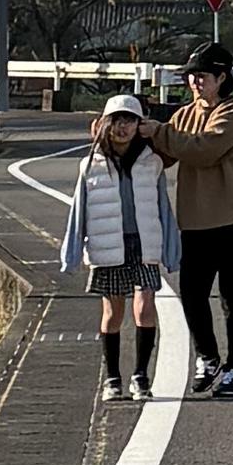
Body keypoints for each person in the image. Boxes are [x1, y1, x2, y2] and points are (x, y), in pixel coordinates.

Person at [161, 37, 233, 392]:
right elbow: (162, 155)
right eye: (191, 76)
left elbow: (204, 150)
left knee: (232, 297)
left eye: (202, 75)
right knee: (192, 294)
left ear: (222, 78)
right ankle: (207, 358)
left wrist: (158, 133)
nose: (195, 82)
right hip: (196, 222)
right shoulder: (183, 115)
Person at [59, 97, 178, 393]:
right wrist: (71, 255)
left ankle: (140, 375)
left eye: (130, 120)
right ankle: (112, 378)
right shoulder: (90, 165)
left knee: (145, 306)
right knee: (113, 312)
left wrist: (172, 251)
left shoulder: (151, 163)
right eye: (117, 120)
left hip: (143, 244)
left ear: (140, 125)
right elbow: (79, 210)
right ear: (105, 125)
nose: (123, 127)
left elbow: (164, 208)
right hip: (108, 244)